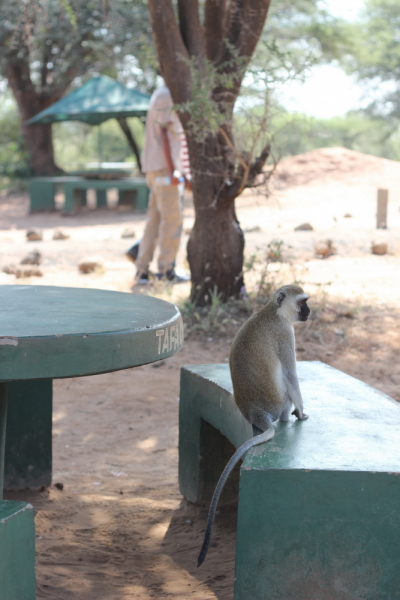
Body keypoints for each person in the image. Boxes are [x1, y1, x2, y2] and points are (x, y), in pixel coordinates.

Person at [133, 81, 190, 284]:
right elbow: (165, 133)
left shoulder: (160, 92)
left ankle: (142, 271)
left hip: (155, 167)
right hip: (165, 169)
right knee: (172, 220)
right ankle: (166, 271)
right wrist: (174, 169)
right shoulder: (167, 94)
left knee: (155, 219)